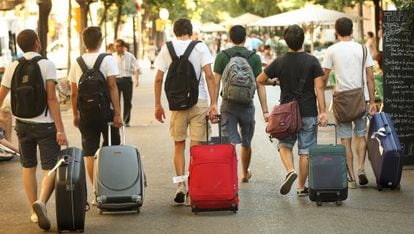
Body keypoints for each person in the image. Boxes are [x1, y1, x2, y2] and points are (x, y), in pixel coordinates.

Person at [0, 29, 67, 230]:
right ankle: (42, 202)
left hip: (22, 123)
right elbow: (52, 99)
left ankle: (33, 211)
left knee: (28, 167)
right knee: (51, 167)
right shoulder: (47, 65)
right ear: (37, 42)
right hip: (45, 124)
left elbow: (1, 94)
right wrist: (60, 129)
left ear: (20, 46)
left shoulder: (13, 66)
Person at [257, 25, 328, 196]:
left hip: (287, 114)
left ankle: (290, 170)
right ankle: (301, 188)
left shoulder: (279, 61)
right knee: (306, 151)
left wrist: (274, 82)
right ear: (303, 40)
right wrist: (323, 111)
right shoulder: (312, 61)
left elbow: (259, 80)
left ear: (286, 40)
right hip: (308, 112)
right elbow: (319, 88)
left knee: (284, 145)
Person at [154, 18, 218, 204]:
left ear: (174, 31)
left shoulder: (167, 48)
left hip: (177, 104)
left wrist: (158, 105)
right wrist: (214, 103)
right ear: (191, 32)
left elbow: (158, 79)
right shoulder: (200, 47)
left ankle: (180, 184)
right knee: (197, 147)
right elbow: (209, 76)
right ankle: (195, 184)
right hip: (199, 102)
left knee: (178, 145)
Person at [322, 17, 377, 189]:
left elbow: (323, 78)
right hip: (361, 98)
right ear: (352, 30)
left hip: (342, 100)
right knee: (360, 135)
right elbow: (370, 77)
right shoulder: (363, 48)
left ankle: (351, 178)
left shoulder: (331, 51)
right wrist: (373, 102)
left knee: (345, 140)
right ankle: (361, 168)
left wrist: (320, 103)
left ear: (336, 32)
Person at [68, 26, 122, 186]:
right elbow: (112, 86)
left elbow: (74, 93)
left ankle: (96, 190)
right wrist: (117, 113)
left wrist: (76, 115)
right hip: (106, 113)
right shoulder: (107, 59)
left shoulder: (77, 62)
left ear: (84, 42)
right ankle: (110, 187)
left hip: (85, 114)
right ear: (100, 41)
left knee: (89, 152)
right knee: (111, 146)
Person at [213, 25, 267, 183]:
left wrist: (213, 104)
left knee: (227, 141)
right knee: (246, 141)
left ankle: (228, 174)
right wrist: (265, 110)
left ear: (230, 39)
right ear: (245, 38)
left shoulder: (222, 56)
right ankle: (244, 173)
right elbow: (260, 85)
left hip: (228, 104)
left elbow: (215, 82)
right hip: (247, 105)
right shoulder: (254, 57)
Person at [113, 38, 140, 127]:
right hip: (116, 80)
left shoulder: (130, 56)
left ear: (123, 47)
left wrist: (136, 80)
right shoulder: (112, 57)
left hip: (127, 80)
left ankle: (126, 120)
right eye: (115, 46)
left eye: (118, 46)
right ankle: (118, 119)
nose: (117, 48)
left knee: (127, 101)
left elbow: (136, 68)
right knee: (116, 101)